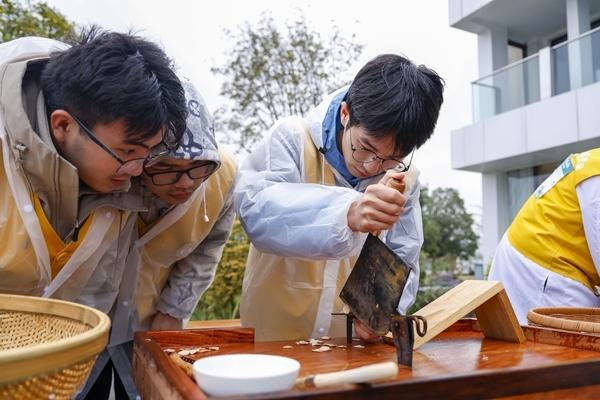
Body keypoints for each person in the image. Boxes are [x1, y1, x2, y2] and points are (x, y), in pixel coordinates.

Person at [0, 29, 187, 398]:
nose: (137, 171)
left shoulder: (114, 184)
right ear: (63, 125)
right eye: (128, 151)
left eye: (148, 155)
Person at [234, 54, 444, 341]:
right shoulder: (292, 137)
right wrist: (347, 212)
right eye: (365, 147)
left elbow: (402, 253)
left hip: (346, 346)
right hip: (272, 339)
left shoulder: (401, 178)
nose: (371, 165)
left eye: (390, 158)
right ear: (346, 113)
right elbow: (257, 212)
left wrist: (379, 310)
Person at [80, 78, 237, 399]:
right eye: (166, 167)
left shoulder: (223, 177)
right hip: (81, 317)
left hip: (148, 316)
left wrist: (174, 307)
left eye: (198, 166)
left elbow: (206, 249)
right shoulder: (108, 175)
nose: (185, 183)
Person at [488, 149, 600, 324]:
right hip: (543, 271)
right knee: (565, 340)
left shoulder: (592, 163)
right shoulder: (595, 175)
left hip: (530, 259)